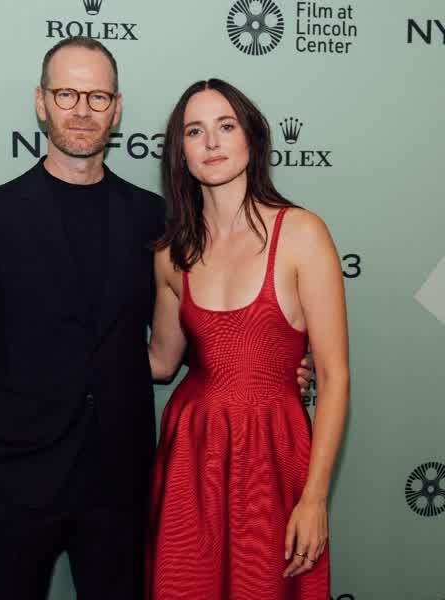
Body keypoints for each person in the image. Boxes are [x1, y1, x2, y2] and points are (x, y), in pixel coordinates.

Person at [0, 38, 314, 600]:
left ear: (116, 108)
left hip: (120, 484)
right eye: (67, 94)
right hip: (14, 482)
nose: (82, 109)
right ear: (41, 102)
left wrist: (277, 365)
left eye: (98, 96)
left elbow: (190, 337)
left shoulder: (154, 218)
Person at [146, 79, 349, 600]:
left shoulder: (302, 233)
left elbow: (333, 375)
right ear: (181, 152)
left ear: (252, 139)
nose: (211, 142)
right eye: (195, 131)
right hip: (192, 453)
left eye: (226, 126)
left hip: (274, 453)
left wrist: (315, 498)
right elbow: (161, 361)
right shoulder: (171, 254)